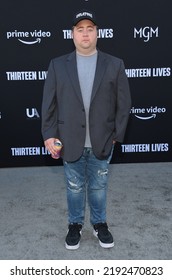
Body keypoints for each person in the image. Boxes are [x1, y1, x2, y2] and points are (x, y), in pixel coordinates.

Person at [41, 10, 131, 250]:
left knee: (99, 186)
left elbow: (124, 105)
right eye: (80, 30)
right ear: (72, 35)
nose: (85, 34)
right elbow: (48, 105)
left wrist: (116, 136)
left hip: (103, 140)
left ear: (97, 34)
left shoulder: (114, 64)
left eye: (90, 29)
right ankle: (74, 225)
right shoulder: (58, 65)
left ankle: (100, 224)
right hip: (70, 140)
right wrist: (49, 135)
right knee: (74, 187)